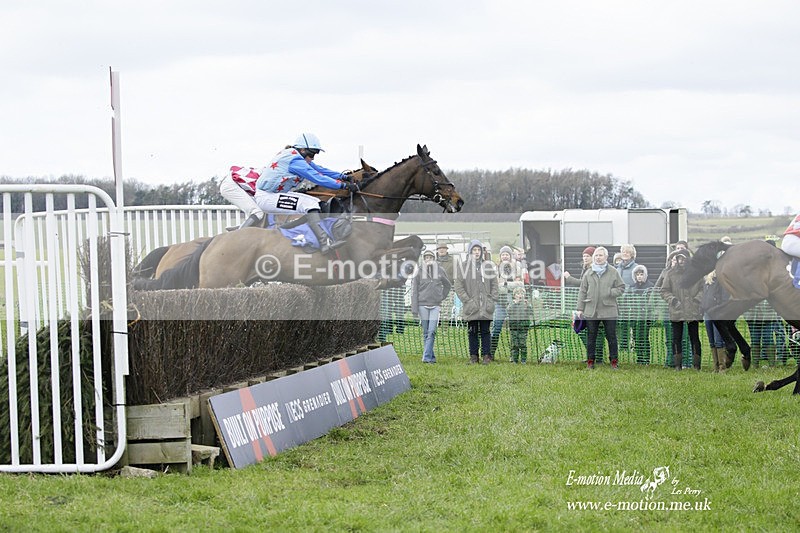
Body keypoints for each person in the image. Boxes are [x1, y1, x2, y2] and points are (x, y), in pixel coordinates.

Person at [254, 133, 358, 253]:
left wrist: (343, 176)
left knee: (317, 203)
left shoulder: (296, 156)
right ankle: (324, 243)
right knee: (309, 205)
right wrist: (343, 185)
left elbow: (320, 169)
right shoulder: (295, 160)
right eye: (312, 153)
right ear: (302, 150)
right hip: (267, 197)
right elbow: (317, 177)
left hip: (273, 195)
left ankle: (286, 229)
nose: (313, 158)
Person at [576, 247, 626, 370]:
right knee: (591, 337)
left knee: (611, 337)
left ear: (606, 257)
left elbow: (621, 288)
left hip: (609, 310)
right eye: (596, 256)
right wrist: (580, 309)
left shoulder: (613, 272)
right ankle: (590, 361)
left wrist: (610, 292)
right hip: (591, 310)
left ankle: (614, 361)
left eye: (600, 255)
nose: (598, 258)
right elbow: (582, 291)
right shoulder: (588, 273)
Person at [455, 239, 498, 364]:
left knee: (485, 331)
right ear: (470, 252)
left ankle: (486, 356)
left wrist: (492, 299)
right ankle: (474, 356)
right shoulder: (463, 266)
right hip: (471, 306)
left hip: (486, 305)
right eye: (474, 250)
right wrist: (467, 300)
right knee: (472, 332)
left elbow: (495, 283)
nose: (477, 252)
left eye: (479, 250)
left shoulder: (488, 266)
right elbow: (458, 285)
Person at [660, 249, 703, 370]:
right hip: (676, 309)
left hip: (692, 310)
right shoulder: (670, 274)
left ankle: (696, 365)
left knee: (694, 337)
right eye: (679, 258)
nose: (681, 261)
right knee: (676, 338)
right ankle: (677, 365)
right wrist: (672, 300)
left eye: (683, 258)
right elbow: (664, 290)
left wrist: (697, 300)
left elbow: (703, 289)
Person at [565, 246, 607, 361]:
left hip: (595, 306)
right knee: (582, 330)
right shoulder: (585, 269)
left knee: (596, 332)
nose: (585, 258)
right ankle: (591, 355)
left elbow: (583, 284)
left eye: (588, 256)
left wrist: (569, 279)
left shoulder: (595, 270)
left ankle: (598, 357)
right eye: (584, 256)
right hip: (584, 305)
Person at [411, 249, 451, 364]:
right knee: (426, 331)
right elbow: (414, 291)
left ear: (434, 259)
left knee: (432, 331)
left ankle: (426, 357)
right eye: (426, 258)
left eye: (431, 258)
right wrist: (414, 309)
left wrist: (441, 297)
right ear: (423, 260)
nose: (428, 260)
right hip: (422, 305)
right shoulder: (418, 272)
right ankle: (430, 357)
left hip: (435, 305)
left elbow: (447, 285)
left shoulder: (440, 270)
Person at [491, 245, 524, 358]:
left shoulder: (517, 266)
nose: (505, 256)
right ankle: (491, 353)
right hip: (499, 301)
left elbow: (520, 284)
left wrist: (505, 284)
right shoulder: (495, 268)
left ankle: (513, 356)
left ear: (510, 256)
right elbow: (495, 285)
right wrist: (509, 285)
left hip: (513, 302)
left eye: (507, 254)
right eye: (503, 254)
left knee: (514, 329)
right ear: (500, 256)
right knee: (496, 327)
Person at [701, 270, 729, 372]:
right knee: (712, 341)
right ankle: (716, 366)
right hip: (707, 313)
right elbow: (704, 297)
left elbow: (725, 298)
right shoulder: (706, 281)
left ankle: (722, 367)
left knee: (719, 341)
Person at [615, 244, 639, 354]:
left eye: (627, 252)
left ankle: (635, 345)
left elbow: (638, 284)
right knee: (621, 323)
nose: (625, 253)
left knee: (633, 324)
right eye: (623, 251)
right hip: (619, 301)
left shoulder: (636, 267)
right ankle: (623, 345)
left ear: (632, 255)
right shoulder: (617, 268)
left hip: (632, 301)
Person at [629, 265, 655, 365]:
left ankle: (646, 358)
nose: (639, 276)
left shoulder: (649, 286)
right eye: (637, 275)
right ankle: (639, 357)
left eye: (641, 274)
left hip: (645, 316)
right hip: (635, 316)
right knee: (636, 337)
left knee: (644, 337)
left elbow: (651, 302)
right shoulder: (632, 287)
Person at [506, 286, 531, 364]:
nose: (520, 295)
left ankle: (523, 360)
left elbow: (531, 313)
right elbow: (508, 311)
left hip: (523, 327)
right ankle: (514, 359)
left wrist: (528, 306)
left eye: (522, 293)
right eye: (518, 293)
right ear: (514, 295)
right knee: (514, 344)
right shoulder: (511, 303)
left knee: (523, 344)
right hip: (514, 327)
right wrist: (515, 304)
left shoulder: (526, 303)